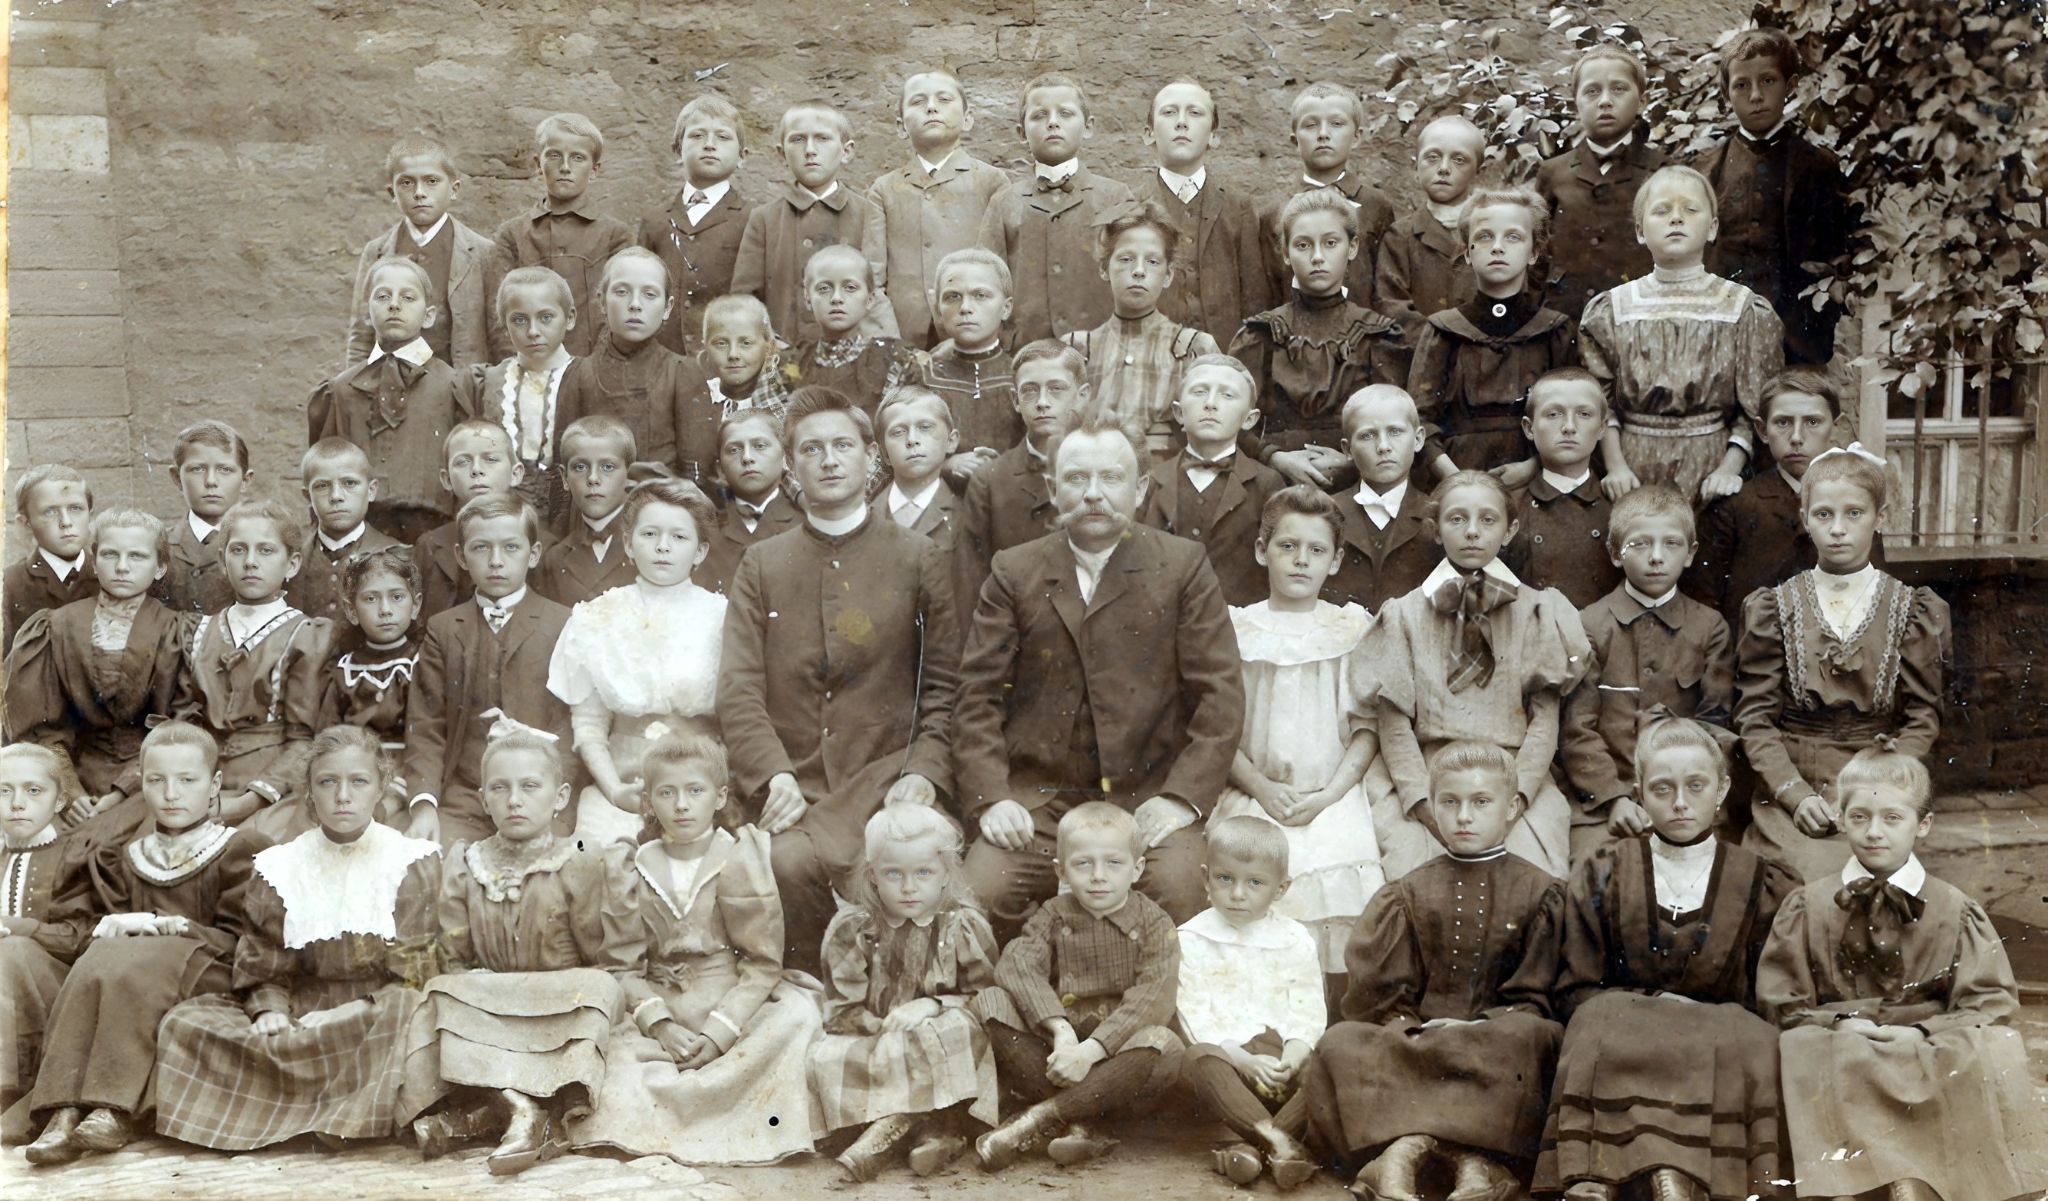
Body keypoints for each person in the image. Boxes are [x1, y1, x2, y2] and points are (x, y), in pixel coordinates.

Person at [954, 413, 1244, 929]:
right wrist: (993, 799)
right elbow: (976, 699)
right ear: (1051, 487)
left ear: (1140, 489)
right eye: (1075, 478)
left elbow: (1219, 697)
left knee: (1178, 889)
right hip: (1038, 802)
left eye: (1110, 478)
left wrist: (1180, 799)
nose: (1093, 494)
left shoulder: (1181, 566)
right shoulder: (1013, 570)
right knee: (982, 891)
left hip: (1145, 798)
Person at [718, 387, 960, 969]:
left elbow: (947, 685)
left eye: (842, 446)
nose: (828, 460)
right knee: (786, 863)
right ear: (791, 465)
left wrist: (925, 771)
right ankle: (821, 990)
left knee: (903, 857)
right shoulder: (764, 562)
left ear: (870, 458)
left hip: (887, 773)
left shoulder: (918, 556)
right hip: (795, 779)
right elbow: (739, 685)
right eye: (811, 449)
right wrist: (771, 774)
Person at [1758, 748, 2048, 1201]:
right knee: (1803, 1046)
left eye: (1893, 818)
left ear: (1924, 825)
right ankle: (1858, 1183)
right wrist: (1840, 1022)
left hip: (1926, 1040)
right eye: (1859, 817)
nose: (1874, 832)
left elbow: (1990, 1001)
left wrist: (1922, 1031)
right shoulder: (1809, 906)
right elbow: (1783, 999)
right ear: (1839, 816)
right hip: (1843, 1038)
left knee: (1993, 1044)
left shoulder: (1954, 908)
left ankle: (1924, 1180)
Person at [1535, 715, 1798, 1201]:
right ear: (1638, 793)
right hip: (1629, 1019)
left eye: (1696, 786)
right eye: (1662, 788)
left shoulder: (1763, 879)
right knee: (1597, 1017)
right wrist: (1655, 1002)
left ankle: (1680, 1176)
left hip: (1719, 1026)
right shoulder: (1605, 869)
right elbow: (1577, 985)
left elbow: (1773, 992)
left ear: (1722, 789)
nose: (1679, 803)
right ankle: (1617, 1172)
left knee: (1754, 1038)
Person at [151, 727, 442, 1151]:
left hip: (374, 1013)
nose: (343, 796)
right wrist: (270, 1009)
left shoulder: (409, 861)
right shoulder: (281, 866)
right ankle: (318, 1111)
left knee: (410, 1009)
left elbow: (414, 973)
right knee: (185, 1022)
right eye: (328, 782)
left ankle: (342, 1114)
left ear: (380, 788)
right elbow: (264, 959)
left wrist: (350, 1012)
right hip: (305, 1008)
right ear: (309, 791)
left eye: (358, 782)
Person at [1304, 741, 1566, 1201]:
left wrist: (1479, 1026)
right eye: (1450, 802)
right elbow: (1378, 998)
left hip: (1496, 1041)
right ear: (1434, 806)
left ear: (1512, 807)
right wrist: (1412, 1028)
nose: (1464, 816)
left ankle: (1454, 1159)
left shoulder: (1541, 893)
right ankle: (1416, 1154)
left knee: (1532, 1037)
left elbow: (1539, 993)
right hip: (1419, 1041)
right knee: (1341, 1041)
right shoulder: (1408, 892)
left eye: (1481, 802)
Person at [570, 730, 824, 1166]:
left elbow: (762, 963)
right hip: (662, 1003)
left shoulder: (739, 856)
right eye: (666, 793)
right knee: (606, 1051)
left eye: (694, 791)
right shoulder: (631, 865)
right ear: (648, 800)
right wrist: (661, 1025)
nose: (681, 805)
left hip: (728, 999)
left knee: (796, 1017)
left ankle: (726, 1111)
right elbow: (621, 967)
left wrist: (720, 1030)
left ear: (720, 796)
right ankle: (673, 1117)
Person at [20, 722, 266, 1164]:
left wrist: (172, 927)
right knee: (102, 954)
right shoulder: (125, 853)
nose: (171, 793)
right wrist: (123, 924)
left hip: (208, 966)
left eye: (187, 781)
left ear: (214, 785)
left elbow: (245, 939)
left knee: (139, 958)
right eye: (156, 781)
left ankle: (112, 1108)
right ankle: (62, 1109)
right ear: (143, 783)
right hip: (140, 968)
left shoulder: (239, 847)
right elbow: (101, 924)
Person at [405, 732, 637, 1175]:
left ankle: (493, 1114)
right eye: (500, 788)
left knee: (599, 990)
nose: (515, 800)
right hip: (490, 1000)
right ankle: (520, 1109)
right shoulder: (466, 861)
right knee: (440, 994)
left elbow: (601, 952)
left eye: (530, 787)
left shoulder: (581, 856)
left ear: (559, 796)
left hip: (559, 1000)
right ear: (483, 799)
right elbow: (454, 955)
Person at [1357, 470, 1589, 879]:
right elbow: (1393, 726)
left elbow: (1544, 721)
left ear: (1509, 530)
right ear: (1434, 529)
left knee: (1531, 873)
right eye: (1456, 519)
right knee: (1416, 873)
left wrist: (1515, 798)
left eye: (1487, 520)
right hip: (1430, 777)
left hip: (1512, 779)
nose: (1471, 532)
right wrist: (1423, 805)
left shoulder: (1538, 611)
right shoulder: (1405, 614)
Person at [1735, 446, 1950, 883]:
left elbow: (1923, 717)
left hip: (1879, 782)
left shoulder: (1913, 609)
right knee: (1802, 882)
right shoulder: (1774, 607)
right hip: (1793, 785)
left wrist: (1876, 786)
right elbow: (1755, 719)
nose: (1837, 530)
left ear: (1880, 518)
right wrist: (1794, 796)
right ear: (1804, 517)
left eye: (1854, 514)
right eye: (1823, 514)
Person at [1210, 486, 1383, 970]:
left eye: (1316, 550)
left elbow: (1366, 727)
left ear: (1335, 560)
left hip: (1334, 793)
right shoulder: (1236, 629)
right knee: (1249, 871)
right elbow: (1219, 728)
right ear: (1262, 551)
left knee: (1342, 866)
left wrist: (1329, 796)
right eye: (1287, 547)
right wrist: (1261, 787)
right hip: (1256, 791)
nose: (1301, 561)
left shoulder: (1350, 628)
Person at [970, 802, 1182, 1170]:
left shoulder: (1154, 922)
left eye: (1113, 863)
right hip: (1061, 1053)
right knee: (991, 1001)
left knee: (1162, 1043)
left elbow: (1153, 997)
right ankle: (1083, 1123)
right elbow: (1017, 963)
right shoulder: (1054, 913)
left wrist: (1090, 1052)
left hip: (1118, 1057)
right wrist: (1061, 1032)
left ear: (1137, 869)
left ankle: (1041, 1118)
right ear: (1061, 870)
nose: (1098, 876)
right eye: (1083, 864)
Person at [808, 804, 1002, 1180]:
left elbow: (986, 996)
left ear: (946, 874)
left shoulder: (962, 926)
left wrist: (932, 1005)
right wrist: (879, 1027)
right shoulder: (855, 928)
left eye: (924, 872)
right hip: (877, 1032)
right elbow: (842, 1006)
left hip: (939, 1028)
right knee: (826, 1055)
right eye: (893, 873)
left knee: (955, 1032)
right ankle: (930, 1133)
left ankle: (894, 1132)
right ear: (873, 876)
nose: (909, 887)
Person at [1580, 165, 1786, 506]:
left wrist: (1729, 469)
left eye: (1690, 210)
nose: (1676, 218)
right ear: (1640, 231)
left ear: (1713, 228)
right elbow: (1599, 402)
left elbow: (1756, 408)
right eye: (1661, 211)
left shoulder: (1741, 308)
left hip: (1713, 467)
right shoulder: (1611, 310)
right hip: (1632, 467)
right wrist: (1615, 467)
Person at [548, 478, 728, 848]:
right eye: (649, 534)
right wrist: (614, 791)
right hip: (624, 790)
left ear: (700, 551)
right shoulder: (597, 617)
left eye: (679, 537)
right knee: (604, 857)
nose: (663, 547)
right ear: (628, 543)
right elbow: (589, 725)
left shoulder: (723, 617)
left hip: (702, 790)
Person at [1560, 487, 1735, 861]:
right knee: (1595, 875)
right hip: (1608, 806)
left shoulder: (1709, 627)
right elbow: (1577, 730)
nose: (1656, 557)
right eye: (1639, 545)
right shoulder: (1590, 625)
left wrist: (1685, 796)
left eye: (1671, 544)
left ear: (1690, 555)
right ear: (1614, 553)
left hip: (1687, 804)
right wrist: (1614, 797)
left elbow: (1715, 724)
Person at [402, 493, 574, 847]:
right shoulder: (444, 628)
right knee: (432, 862)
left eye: (511, 548)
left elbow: (572, 724)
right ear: (461, 557)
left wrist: (552, 795)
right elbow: (427, 725)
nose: (496, 561)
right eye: (481, 548)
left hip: (540, 795)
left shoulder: (563, 623)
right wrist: (423, 805)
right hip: (465, 795)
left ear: (535, 554)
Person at [5, 509, 192, 829]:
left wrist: (123, 791)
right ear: (93, 559)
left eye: (137, 556)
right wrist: (71, 793)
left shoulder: (175, 630)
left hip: (151, 779)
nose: (122, 567)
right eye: (109, 554)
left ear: (159, 567)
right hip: (72, 778)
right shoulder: (57, 627)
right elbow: (43, 728)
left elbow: (179, 724)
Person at [1176, 817, 1323, 1190]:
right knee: (1196, 1057)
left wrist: (1294, 1052)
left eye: (1255, 883)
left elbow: (1306, 1006)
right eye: (1225, 879)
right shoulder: (1191, 937)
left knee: (1330, 1062)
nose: (1238, 893)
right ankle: (1281, 1144)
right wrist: (1241, 1058)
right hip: (1230, 1069)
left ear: (1280, 888)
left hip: (1281, 1065)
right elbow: (1194, 1016)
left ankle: (1252, 1148)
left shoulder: (1295, 938)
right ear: (1207, 877)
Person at [1233, 189, 1407, 490]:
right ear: (1285, 253)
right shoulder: (1260, 334)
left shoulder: (1378, 335)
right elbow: (1231, 421)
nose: (1317, 257)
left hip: (1358, 484)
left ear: (1352, 248)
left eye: (1330, 243)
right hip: (1274, 481)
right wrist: (1275, 458)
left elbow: (1396, 425)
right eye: (1303, 245)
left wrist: (1354, 462)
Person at [1697, 28, 1852, 365]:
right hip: (1721, 342)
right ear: (1726, 94)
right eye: (1741, 85)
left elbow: (1837, 253)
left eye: (1768, 81)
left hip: (1796, 341)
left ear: (1790, 85)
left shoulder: (1819, 167)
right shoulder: (1705, 170)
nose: (1756, 95)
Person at [179, 499, 335, 830]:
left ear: (291, 564)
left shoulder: (304, 634)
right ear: (222, 561)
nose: (250, 562)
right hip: (200, 779)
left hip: (272, 784)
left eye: (266, 551)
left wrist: (248, 801)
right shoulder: (198, 631)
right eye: (238, 550)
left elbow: (302, 740)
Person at [1409, 186, 1578, 482]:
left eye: (1513, 237)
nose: (1497, 247)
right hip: (1455, 478)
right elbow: (1421, 419)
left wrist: (1534, 466)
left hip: (1538, 478)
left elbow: (1573, 414)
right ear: (1467, 253)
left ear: (1534, 253)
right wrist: (1455, 477)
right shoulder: (1443, 330)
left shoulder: (1555, 329)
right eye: (1484, 237)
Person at [309, 256, 475, 544]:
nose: (394, 305)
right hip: (359, 536)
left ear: (429, 315)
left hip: (433, 535)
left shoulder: (453, 386)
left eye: (408, 297)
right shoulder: (340, 390)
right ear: (366, 312)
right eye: (383, 296)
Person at [1683, 368, 1855, 627]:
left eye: (1812, 422)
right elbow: (1704, 606)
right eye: (1783, 422)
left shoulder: (1857, 504)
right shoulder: (1735, 507)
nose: (1796, 438)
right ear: (1763, 430)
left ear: (1836, 427)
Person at [977, 72, 1135, 344]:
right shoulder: (1004, 202)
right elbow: (985, 282)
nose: (1052, 123)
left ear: (1088, 126)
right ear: (1021, 132)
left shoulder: (1115, 197)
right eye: (1039, 116)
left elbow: (1135, 275)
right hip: (1025, 351)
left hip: (1103, 350)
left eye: (1065, 114)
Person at [864, 68, 1013, 348]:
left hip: (974, 333)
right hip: (905, 336)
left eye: (944, 100)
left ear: (968, 119)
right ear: (900, 126)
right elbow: (872, 278)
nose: (931, 107)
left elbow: (1003, 270)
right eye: (918, 102)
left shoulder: (991, 181)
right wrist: (891, 344)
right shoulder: (884, 190)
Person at [1064, 200, 1221, 464]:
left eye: (1152, 262)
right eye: (1125, 260)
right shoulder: (1077, 349)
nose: (1138, 271)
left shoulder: (1195, 348)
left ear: (1168, 275)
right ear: (1104, 269)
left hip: (1167, 490)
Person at [735, 99, 893, 345]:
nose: (810, 150)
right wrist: (770, 343)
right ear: (781, 154)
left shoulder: (868, 214)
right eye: (798, 140)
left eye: (823, 139)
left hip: (856, 355)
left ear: (846, 151)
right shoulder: (764, 219)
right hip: (785, 357)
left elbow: (880, 293)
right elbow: (744, 301)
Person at [553, 246, 715, 486]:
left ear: (668, 308)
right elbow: (563, 470)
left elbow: (696, 477)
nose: (635, 304)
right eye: (621, 292)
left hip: (664, 513)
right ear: (601, 301)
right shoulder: (578, 374)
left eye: (649, 294)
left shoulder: (683, 373)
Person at [948, 339, 1087, 619]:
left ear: (1082, 395)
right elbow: (972, 582)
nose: (1043, 402)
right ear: (1015, 400)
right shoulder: (991, 481)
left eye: (1057, 389)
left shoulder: (1113, 468)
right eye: (1030, 391)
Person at [1137, 355, 1287, 606]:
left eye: (1227, 395)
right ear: (1178, 412)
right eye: (1199, 392)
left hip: (1239, 626)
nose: (1210, 404)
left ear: (1249, 419)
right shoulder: (1151, 482)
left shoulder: (1267, 485)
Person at [1533, 45, 1667, 324]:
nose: (1605, 101)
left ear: (1642, 101)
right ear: (1576, 104)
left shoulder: (1663, 171)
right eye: (1592, 91)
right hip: (1564, 316)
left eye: (1619, 89)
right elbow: (1536, 257)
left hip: (1640, 317)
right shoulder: (1553, 172)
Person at [1134, 77, 1273, 342]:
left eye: (1195, 113)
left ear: (1214, 136)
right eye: (1169, 112)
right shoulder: (1131, 206)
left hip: (1223, 364)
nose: (1181, 122)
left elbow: (1254, 300)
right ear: (1149, 133)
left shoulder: (1238, 208)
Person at [486, 112, 634, 359]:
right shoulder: (512, 235)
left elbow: (622, 311)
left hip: (596, 370)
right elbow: (499, 315)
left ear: (595, 170)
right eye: (554, 156)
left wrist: (598, 368)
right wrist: (523, 369)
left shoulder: (615, 236)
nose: (565, 167)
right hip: (531, 369)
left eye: (578, 158)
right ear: (538, 165)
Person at [343, 135, 495, 371]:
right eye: (406, 183)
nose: (419, 193)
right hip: (390, 386)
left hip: (459, 389)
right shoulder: (377, 252)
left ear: (454, 189)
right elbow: (361, 335)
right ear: (392, 193)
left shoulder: (483, 253)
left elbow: (499, 335)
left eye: (432, 181)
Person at [0, 744, 94, 1112]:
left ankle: (11, 1089)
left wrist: (20, 927)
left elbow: (81, 936)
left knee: (12, 950)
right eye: (4, 791)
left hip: (56, 992)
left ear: (59, 801)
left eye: (33, 791)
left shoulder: (75, 854)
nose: (17, 803)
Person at [1258, 82, 1397, 310]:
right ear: (1295, 141)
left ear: (1356, 137)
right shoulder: (1274, 212)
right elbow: (1266, 292)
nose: (1323, 134)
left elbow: (1385, 287)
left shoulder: (1376, 206)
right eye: (1311, 125)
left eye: (1336, 124)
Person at [462, 266, 579, 526]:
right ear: (504, 325)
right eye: (519, 320)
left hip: (570, 511)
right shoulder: (489, 382)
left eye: (546, 317)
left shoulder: (584, 376)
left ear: (569, 318)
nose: (533, 331)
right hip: (503, 514)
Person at [641, 94, 752, 356]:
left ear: (742, 156)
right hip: (663, 356)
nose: (709, 145)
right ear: (677, 150)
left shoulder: (753, 220)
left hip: (726, 358)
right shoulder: (655, 221)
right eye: (697, 136)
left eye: (723, 137)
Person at [1499, 369, 1621, 607]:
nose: (1569, 427)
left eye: (1584, 414)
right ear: (1529, 428)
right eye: (1554, 414)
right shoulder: (1509, 506)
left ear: (1602, 428)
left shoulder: (1619, 506)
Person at [1324, 385, 1442, 613]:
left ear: (1418, 440)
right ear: (1347, 449)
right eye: (1367, 436)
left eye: (1395, 432)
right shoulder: (1326, 513)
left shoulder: (1436, 515)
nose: (1383, 447)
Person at [317, 547, 425, 771]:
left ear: (415, 606)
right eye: (370, 599)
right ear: (351, 611)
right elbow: (326, 737)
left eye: (396, 597)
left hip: (408, 770)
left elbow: (429, 736)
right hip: (352, 770)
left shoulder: (422, 663)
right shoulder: (344, 671)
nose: (385, 610)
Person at [410, 420, 528, 620]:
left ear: (515, 474)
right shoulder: (430, 546)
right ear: (446, 479)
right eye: (463, 462)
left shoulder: (539, 541)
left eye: (490, 459)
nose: (476, 470)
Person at [1376, 115, 1484, 333]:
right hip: (1419, 354)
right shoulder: (1400, 237)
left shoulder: (1491, 232)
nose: (1444, 168)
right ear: (1416, 167)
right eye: (1432, 157)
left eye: (1459, 160)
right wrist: (1437, 344)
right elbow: (1391, 305)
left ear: (1478, 171)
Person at [918, 247, 1021, 467]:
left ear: (1006, 308)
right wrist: (944, 466)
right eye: (952, 297)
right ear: (937, 307)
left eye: (980, 295)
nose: (965, 308)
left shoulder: (1020, 376)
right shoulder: (921, 375)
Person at [287, 438, 404, 627]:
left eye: (349, 483)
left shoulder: (396, 554)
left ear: (371, 490)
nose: (336, 496)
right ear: (307, 496)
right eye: (322, 486)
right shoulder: (290, 554)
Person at [790, 244, 918, 416]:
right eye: (824, 288)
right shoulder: (794, 362)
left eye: (850, 288)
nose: (836, 298)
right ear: (807, 299)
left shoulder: (895, 360)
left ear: (870, 299)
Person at [152, 420, 255, 617]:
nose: (211, 481)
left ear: (245, 480)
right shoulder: (158, 546)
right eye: (197, 469)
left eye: (225, 469)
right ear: (176, 477)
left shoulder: (262, 545)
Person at [532, 415, 638, 606]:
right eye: (580, 467)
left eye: (608, 467)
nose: (593, 478)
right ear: (564, 478)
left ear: (629, 474)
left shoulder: (655, 546)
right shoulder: (553, 560)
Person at [697, 407, 800, 595]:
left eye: (760, 446)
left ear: (785, 456)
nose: (747, 458)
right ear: (720, 469)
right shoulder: (705, 528)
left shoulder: (807, 521)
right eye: (734, 450)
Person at [4, 465, 95, 653]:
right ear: (26, 523)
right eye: (50, 512)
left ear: (90, 514)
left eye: (76, 508)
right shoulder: (9, 585)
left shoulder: (112, 575)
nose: (66, 522)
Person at [872, 384, 964, 548]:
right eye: (898, 432)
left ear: (951, 441)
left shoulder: (967, 512)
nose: (912, 440)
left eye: (925, 427)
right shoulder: (865, 518)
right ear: (884, 453)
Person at [691, 293, 796, 431]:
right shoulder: (705, 399)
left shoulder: (783, 401)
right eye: (721, 344)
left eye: (746, 343)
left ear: (768, 347)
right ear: (706, 350)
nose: (733, 354)